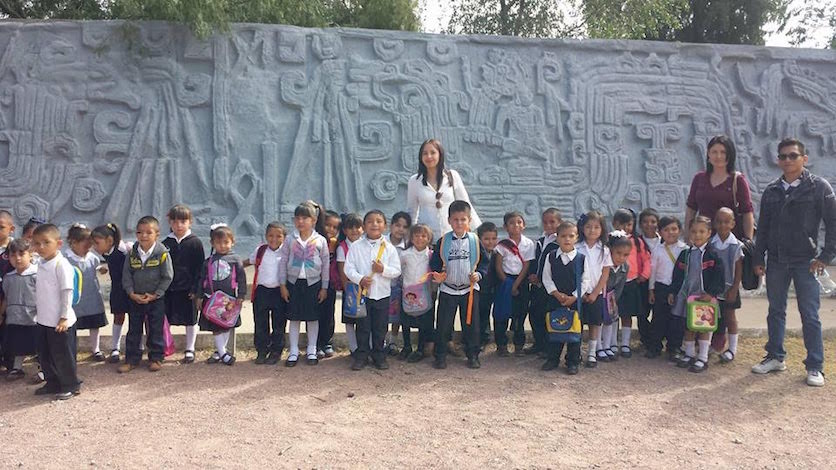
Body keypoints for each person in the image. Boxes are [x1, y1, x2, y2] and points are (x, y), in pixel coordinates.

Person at [752, 138, 836, 387]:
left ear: (804, 159)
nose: (787, 160)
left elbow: (833, 223)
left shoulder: (819, 187)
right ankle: (775, 356)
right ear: (778, 161)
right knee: (775, 311)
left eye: (793, 155)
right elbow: (763, 227)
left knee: (809, 314)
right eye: (783, 156)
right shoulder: (772, 190)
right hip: (777, 260)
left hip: (806, 261)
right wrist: (759, 257)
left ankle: (815, 366)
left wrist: (825, 256)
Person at [685, 135, 755, 353]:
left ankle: (719, 335)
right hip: (704, 241)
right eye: (714, 152)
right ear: (708, 154)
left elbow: (747, 212)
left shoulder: (737, 180)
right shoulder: (700, 178)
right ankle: (701, 332)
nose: (718, 156)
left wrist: (748, 242)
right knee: (702, 287)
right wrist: (688, 234)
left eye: (723, 152)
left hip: (727, 244)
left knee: (725, 292)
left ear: (730, 155)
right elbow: (691, 207)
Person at [429, 200, 489, 370]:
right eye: (455, 219)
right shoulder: (443, 241)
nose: (459, 223)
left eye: (463, 219)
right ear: (449, 220)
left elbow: (485, 263)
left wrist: (479, 274)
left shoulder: (475, 241)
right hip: (448, 289)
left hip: (469, 290)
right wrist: (438, 274)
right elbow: (435, 263)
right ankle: (440, 356)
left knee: (471, 325)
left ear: (469, 220)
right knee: (443, 325)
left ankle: (473, 355)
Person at [344, 210, 402, 370]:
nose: (374, 224)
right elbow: (348, 268)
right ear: (364, 226)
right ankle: (361, 356)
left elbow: (397, 270)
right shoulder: (356, 246)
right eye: (370, 221)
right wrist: (360, 279)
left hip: (382, 294)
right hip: (362, 295)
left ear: (385, 226)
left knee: (380, 327)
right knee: (362, 327)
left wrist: (383, 269)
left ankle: (379, 356)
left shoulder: (389, 248)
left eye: (378, 221)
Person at [32, 224, 81, 399]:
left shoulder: (61, 265)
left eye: (46, 242)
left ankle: (70, 385)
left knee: (63, 355)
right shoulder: (40, 263)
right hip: (44, 319)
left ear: (58, 243)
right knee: (45, 355)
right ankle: (52, 383)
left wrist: (64, 317)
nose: (41, 247)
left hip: (60, 321)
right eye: (37, 243)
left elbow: (67, 292)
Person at [119, 216, 174, 373]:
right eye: (139, 232)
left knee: (155, 329)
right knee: (134, 329)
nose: (143, 236)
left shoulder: (162, 253)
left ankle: (156, 358)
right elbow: (127, 275)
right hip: (135, 298)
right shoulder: (132, 253)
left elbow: (167, 276)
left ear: (157, 234)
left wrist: (156, 294)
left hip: (155, 299)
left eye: (148, 232)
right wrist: (131, 293)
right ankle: (131, 359)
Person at [670, 216, 725, 373]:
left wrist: (711, 293)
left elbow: (719, 277)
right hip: (688, 296)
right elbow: (677, 275)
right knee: (689, 325)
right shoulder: (685, 254)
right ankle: (689, 354)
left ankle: (702, 357)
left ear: (709, 233)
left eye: (701, 231)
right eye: (694, 231)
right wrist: (673, 291)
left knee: (704, 327)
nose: (697, 235)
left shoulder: (713, 255)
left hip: (705, 297)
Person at [278, 202, 330, 367]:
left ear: (313, 220)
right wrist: (282, 284)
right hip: (293, 283)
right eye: (297, 218)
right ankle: (293, 351)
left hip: (313, 284)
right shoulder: (290, 239)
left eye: (305, 218)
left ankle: (312, 349)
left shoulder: (320, 240)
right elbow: (283, 261)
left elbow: (326, 264)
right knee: (294, 318)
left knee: (312, 317)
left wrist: (324, 287)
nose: (300, 221)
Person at [541, 221, 593, 375]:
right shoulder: (551, 257)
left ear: (576, 237)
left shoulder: (581, 258)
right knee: (554, 329)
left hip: (574, 302)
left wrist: (574, 297)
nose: (567, 239)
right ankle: (552, 359)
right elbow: (546, 278)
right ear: (557, 238)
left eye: (571, 236)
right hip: (555, 300)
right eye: (563, 236)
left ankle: (572, 361)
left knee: (574, 332)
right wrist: (556, 293)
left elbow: (585, 280)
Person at [407, 139, 481, 242]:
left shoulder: (452, 176)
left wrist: (475, 231)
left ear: (440, 155)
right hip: (426, 239)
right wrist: (410, 238)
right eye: (425, 153)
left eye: (433, 153)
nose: (429, 156)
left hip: (453, 236)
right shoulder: (414, 181)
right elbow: (412, 211)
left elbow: (465, 204)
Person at [197, 224, 246, 366]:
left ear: (232, 242)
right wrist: (199, 296)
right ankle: (224, 353)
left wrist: (241, 295)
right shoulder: (208, 261)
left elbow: (242, 278)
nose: (222, 246)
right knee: (216, 327)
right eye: (218, 243)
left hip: (229, 299)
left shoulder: (236, 259)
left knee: (226, 324)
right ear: (212, 243)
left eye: (226, 242)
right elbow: (201, 279)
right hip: (212, 298)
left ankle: (219, 352)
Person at [162, 204, 205, 364]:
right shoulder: (165, 243)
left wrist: (196, 289)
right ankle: (165, 346)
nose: (179, 225)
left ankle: (190, 348)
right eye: (175, 222)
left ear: (190, 222)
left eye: (183, 221)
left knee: (190, 319)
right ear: (170, 222)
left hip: (188, 289)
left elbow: (200, 268)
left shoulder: (195, 243)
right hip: (169, 289)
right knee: (166, 318)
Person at [493, 211, 535, 357]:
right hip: (504, 281)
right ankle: (501, 345)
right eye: (511, 223)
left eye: (519, 222)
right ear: (505, 227)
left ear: (524, 225)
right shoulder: (502, 245)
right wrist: (507, 283)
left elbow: (526, 265)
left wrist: (516, 285)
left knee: (520, 315)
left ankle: (518, 345)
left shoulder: (528, 244)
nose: (516, 225)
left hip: (521, 281)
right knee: (502, 315)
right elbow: (498, 266)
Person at [64, 224, 108, 361]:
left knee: (94, 324)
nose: (89, 247)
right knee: (73, 326)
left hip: (92, 295)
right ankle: (71, 350)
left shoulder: (92, 258)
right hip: (75, 298)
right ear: (73, 242)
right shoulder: (66, 259)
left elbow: (95, 268)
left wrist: (100, 269)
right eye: (85, 244)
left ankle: (96, 349)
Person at [646, 216, 688, 360]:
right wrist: (651, 290)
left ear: (680, 231)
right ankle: (655, 346)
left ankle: (674, 347)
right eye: (666, 230)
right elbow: (652, 271)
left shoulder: (685, 250)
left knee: (676, 320)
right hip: (661, 288)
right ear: (660, 232)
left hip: (678, 289)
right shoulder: (657, 250)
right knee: (658, 318)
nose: (671, 232)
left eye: (674, 229)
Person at [245, 222, 287, 365]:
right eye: (270, 235)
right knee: (260, 322)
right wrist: (235, 265)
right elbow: (249, 261)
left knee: (278, 323)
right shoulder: (261, 250)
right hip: (262, 291)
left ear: (284, 238)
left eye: (278, 236)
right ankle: (262, 350)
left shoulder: (286, 252)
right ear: (265, 236)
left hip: (279, 291)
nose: (274, 239)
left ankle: (276, 351)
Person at [611, 209, 651, 357]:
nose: (625, 228)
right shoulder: (610, 240)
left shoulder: (637, 241)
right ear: (614, 224)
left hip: (630, 282)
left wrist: (644, 275)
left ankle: (625, 344)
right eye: (621, 224)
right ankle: (612, 343)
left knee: (627, 315)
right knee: (612, 314)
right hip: (613, 283)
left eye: (629, 224)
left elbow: (647, 259)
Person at [91, 223, 131, 363]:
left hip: (130, 288)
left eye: (97, 243)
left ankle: (136, 346)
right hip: (117, 289)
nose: (94, 247)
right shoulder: (106, 253)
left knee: (135, 318)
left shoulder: (123, 251)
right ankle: (115, 348)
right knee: (118, 317)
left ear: (109, 240)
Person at [575, 211, 611, 367]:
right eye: (588, 226)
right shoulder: (576, 247)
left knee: (595, 323)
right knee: (578, 323)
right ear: (582, 228)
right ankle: (576, 352)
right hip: (579, 293)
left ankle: (591, 353)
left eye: (596, 227)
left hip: (596, 293)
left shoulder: (604, 249)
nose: (592, 230)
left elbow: (605, 273)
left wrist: (596, 293)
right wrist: (579, 293)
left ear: (602, 229)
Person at [527, 208, 561, 357]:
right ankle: (538, 343)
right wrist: (532, 274)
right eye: (545, 222)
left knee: (548, 316)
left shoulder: (559, 242)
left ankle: (548, 347)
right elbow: (535, 260)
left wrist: (541, 277)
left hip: (550, 286)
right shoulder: (540, 241)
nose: (548, 225)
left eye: (552, 222)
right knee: (535, 314)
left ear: (559, 223)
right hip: (537, 286)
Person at [1, 239, 38, 380]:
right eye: (13, 255)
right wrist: (1, 314)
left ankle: (43, 368)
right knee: (18, 343)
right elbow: (6, 298)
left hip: (34, 318)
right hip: (15, 317)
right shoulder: (8, 278)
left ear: (30, 255)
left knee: (38, 343)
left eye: (21, 254)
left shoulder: (37, 274)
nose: (17, 258)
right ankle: (17, 368)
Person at [711, 208, 744, 363]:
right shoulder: (711, 243)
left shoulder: (736, 245)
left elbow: (738, 269)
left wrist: (734, 288)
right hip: (713, 288)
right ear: (714, 223)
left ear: (732, 224)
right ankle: (712, 345)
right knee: (712, 316)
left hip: (730, 288)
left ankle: (732, 349)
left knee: (730, 317)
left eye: (726, 222)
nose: (722, 225)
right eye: (719, 222)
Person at [399, 224, 435, 362]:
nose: (420, 238)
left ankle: (420, 349)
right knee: (405, 321)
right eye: (416, 235)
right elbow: (399, 270)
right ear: (412, 238)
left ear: (429, 238)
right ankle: (407, 346)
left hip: (424, 293)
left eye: (424, 236)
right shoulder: (405, 254)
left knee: (423, 323)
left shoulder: (431, 255)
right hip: (407, 292)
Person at [600, 231, 632, 358]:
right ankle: (598, 347)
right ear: (610, 250)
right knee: (599, 321)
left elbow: (620, 286)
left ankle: (608, 345)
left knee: (611, 320)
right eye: (618, 253)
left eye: (625, 255)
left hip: (612, 297)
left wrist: (613, 300)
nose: (621, 258)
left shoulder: (625, 267)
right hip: (600, 294)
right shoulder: (603, 264)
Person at [337, 213, 364, 354]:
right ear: (344, 230)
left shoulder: (366, 245)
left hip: (365, 289)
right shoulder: (342, 248)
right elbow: (342, 272)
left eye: (357, 227)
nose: (354, 230)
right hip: (350, 290)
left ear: (362, 229)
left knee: (364, 319)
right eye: (350, 227)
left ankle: (365, 346)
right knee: (349, 319)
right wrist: (348, 291)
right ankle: (353, 347)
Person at [385, 211, 411, 356]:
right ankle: (381, 341)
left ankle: (393, 341)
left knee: (397, 315)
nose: (400, 229)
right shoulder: (382, 242)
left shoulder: (407, 246)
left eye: (404, 227)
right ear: (391, 225)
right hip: (382, 285)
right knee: (382, 315)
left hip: (399, 286)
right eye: (397, 225)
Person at [317, 211, 341, 358]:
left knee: (329, 314)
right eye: (327, 225)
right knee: (315, 314)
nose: (331, 229)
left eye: (335, 227)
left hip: (331, 285)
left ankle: (327, 342)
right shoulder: (316, 242)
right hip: (315, 284)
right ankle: (316, 343)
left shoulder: (337, 245)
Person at [476, 222, 499, 347]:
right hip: (478, 288)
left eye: (494, 238)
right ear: (479, 239)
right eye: (486, 239)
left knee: (486, 313)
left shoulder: (497, 254)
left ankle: (485, 338)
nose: (491, 242)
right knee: (477, 314)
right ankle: (475, 339)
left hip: (491, 289)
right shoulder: (476, 254)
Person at [0, 210, 16, 370]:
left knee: (9, 330)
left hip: (10, 298)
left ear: (11, 229)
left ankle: (11, 363)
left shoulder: (15, 249)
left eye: (1, 227)